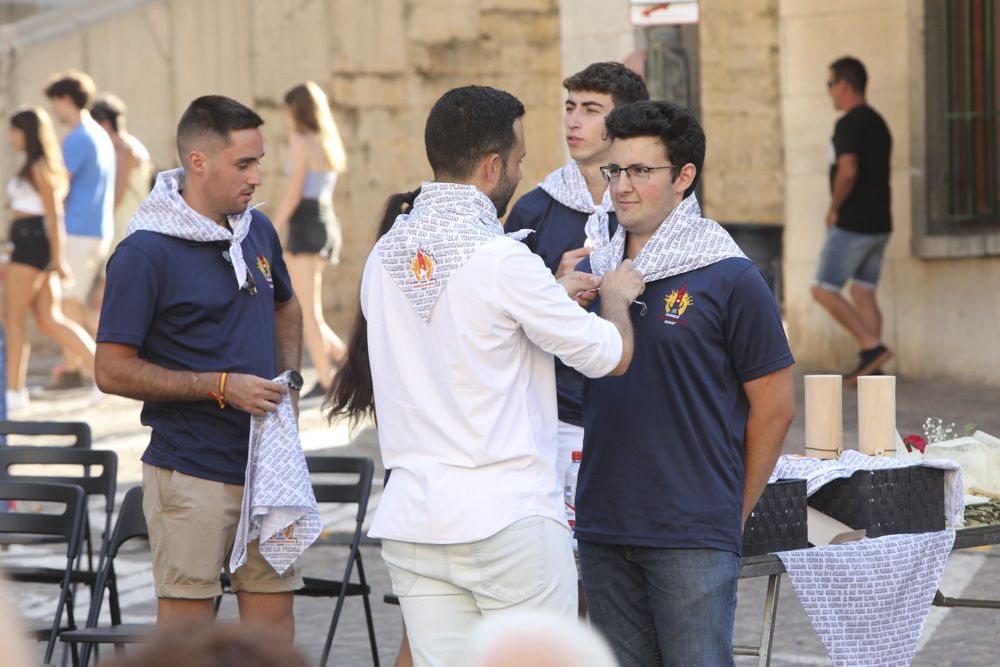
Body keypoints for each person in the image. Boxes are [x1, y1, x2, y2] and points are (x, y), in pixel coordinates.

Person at [326, 85, 645, 667]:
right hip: (506, 519)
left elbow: (460, 331)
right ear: (492, 165)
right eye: (520, 161)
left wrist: (548, 296)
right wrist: (617, 298)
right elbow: (609, 355)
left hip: (416, 521)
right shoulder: (501, 259)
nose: (522, 173)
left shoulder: (384, 255)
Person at [574, 100, 795, 666]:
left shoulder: (730, 273)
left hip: (690, 532)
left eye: (641, 171)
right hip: (603, 521)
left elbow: (775, 409)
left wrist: (729, 511)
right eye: (615, 171)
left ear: (684, 177)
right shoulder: (591, 272)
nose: (623, 187)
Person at [94, 95, 304, 637]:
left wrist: (291, 384)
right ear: (198, 162)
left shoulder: (257, 231)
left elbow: (287, 304)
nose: (258, 176)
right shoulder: (143, 252)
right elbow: (111, 370)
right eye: (244, 164)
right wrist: (219, 387)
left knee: (273, 634)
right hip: (190, 468)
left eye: (259, 161)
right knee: (187, 639)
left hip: (267, 468)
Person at [505, 60, 648, 486]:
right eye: (570, 107)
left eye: (590, 109)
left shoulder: (652, 203)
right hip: (558, 411)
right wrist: (552, 284)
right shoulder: (534, 208)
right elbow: (500, 315)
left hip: (639, 404)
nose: (573, 120)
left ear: (620, 121)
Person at [4, 107, 98, 412]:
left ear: (27, 133)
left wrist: (59, 260)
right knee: (49, 319)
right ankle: (102, 371)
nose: (11, 137)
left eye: (16, 130)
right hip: (27, 244)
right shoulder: (34, 165)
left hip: (32, 247)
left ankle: (14, 390)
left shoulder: (40, 166)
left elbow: (54, 214)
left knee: (13, 319)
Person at [811, 56, 893, 382]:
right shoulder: (878, 122)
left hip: (854, 222)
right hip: (880, 223)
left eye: (830, 84)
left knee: (823, 289)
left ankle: (871, 347)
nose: (829, 92)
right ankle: (872, 371)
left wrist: (834, 208)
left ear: (844, 85)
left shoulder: (848, 124)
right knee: (863, 292)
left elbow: (848, 170)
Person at [270, 81, 348, 399]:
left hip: (305, 223)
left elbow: (294, 193)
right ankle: (353, 367)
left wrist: (272, 226)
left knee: (306, 311)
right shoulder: (324, 140)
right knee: (310, 308)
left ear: (296, 110)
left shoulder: (300, 140)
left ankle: (327, 381)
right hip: (324, 222)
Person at [44, 70, 115, 389]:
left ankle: (97, 366)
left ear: (67, 100)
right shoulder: (99, 134)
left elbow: (60, 186)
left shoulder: (78, 138)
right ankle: (77, 367)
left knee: (68, 305)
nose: (54, 111)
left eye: (55, 103)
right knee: (72, 304)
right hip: (97, 230)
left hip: (78, 230)